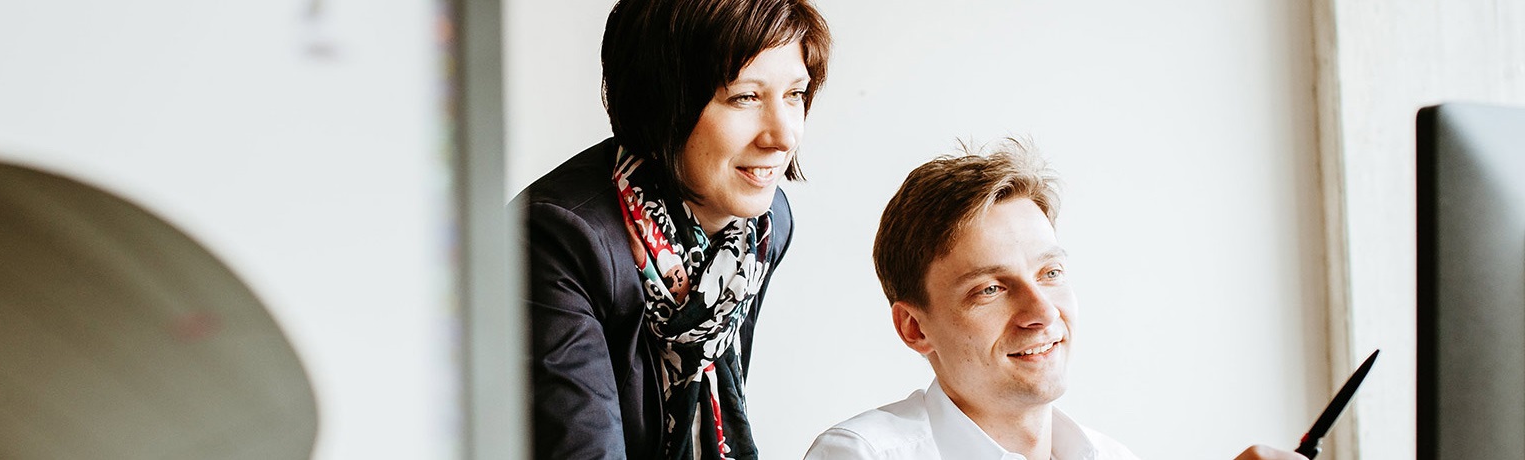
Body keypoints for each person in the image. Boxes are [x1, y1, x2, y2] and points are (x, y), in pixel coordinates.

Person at [803, 140, 1306, 460]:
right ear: (915, 328)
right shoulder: (862, 455)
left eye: (1050, 273)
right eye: (990, 289)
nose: (1043, 312)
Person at [511, 0, 829, 458]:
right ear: (662, 102)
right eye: (745, 97)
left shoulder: (763, 225)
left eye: (795, 94)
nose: (782, 136)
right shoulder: (558, 238)